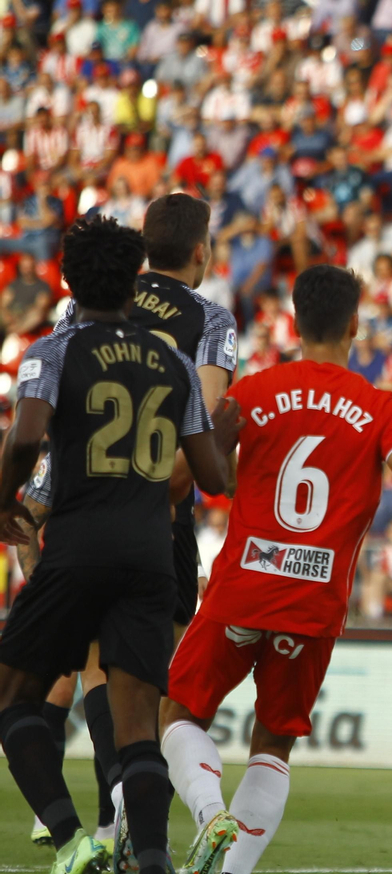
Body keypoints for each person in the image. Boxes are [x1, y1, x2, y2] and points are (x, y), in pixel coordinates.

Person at [158, 265, 392, 874]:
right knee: (273, 743)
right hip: (314, 603)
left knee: (179, 713)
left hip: (241, 588)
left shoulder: (254, 391)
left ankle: (206, 812)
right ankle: (233, 869)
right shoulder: (380, 407)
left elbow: (176, 482)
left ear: (296, 322)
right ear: (355, 324)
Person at [0, 214, 238, 874]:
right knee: (140, 728)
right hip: (150, 551)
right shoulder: (175, 363)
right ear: (134, 282)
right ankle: (152, 859)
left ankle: (73, 838)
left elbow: (24, 439)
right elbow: (213, 476)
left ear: (71, 281)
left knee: (12, 694)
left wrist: (6, 500)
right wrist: (231, 425)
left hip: (77, 547)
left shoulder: (54, 350)